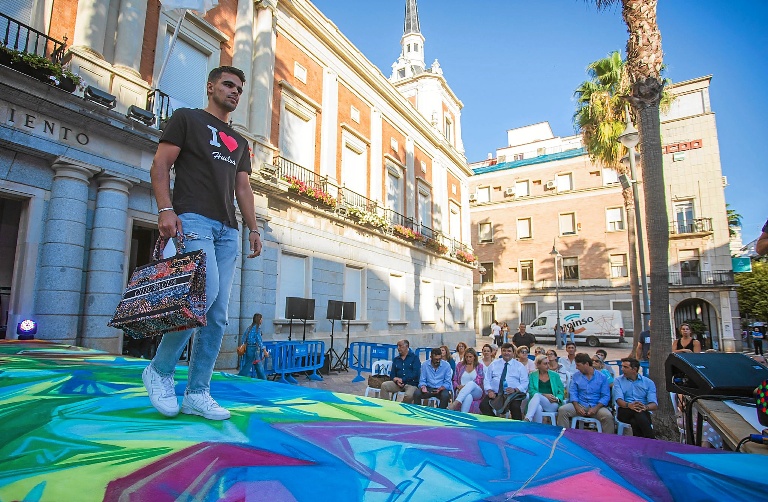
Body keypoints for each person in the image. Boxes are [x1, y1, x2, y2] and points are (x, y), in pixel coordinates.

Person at [143, 66, 261, 421]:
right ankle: (160, 370)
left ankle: (197, 392)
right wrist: (166, 208)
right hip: (192, 218)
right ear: (210, 86)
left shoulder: (240, 142)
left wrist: (253, 229)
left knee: (217, 315)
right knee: (201, 295)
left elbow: (243, 188)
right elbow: (160, 164)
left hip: (229, 229)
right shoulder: (187, 119)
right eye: (228, 85)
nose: (235, 92)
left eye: (240, 88)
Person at [556, 353, 614, 433]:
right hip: (580, 404)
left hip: (596, 406)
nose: (576, 368)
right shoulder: (576, 376)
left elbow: (605, 396)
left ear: (586, 364)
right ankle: (564, 436)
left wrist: (596, 408)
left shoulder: (602, 377)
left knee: (607, 416)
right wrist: (576, 406)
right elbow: (573, 392)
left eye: (578, 365)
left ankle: (608, 441)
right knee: (563, 410)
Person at [480, 343, 529, 419]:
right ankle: (495, 423)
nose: (506, 353)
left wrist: (515, 389)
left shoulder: (519, 366)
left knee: (515, 407)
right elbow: (487, 379)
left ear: (513, 353)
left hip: (512, 394)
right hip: (495, 393)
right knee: (483, 406)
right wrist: (489, 391)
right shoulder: (494, 364)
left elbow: (525, 382)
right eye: (504, 351)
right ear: (501, 352)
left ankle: (517, 428)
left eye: (509, 351)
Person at [614, 357, 658, 438]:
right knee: (638, 413)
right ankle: (651, 439)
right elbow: (619, 400)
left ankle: (639, 443)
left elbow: (654, 405)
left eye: (625, 367)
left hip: (643, 410)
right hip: (625, 409)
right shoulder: (618, 380)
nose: (622, 369)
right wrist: (630, 405)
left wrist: (645, 407)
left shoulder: (648, 383)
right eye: (622, 366)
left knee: (635, 420)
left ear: (634, 369)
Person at [524, 355, 565, 423]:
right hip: (536, 402)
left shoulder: (555, 375)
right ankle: (538, 429)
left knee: (537, 395)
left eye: (548, 363)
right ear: (538, 365)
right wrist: (544, 395)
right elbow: (531, 391)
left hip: (552, 403)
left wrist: (557, 398)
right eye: (545, 364)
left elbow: (561, 391)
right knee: (538, 407)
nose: (548, 365)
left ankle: (527, 419)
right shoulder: (532, 375)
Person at [449, 348, 485, 413]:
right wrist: (457, 386)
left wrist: (465, 387)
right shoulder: (460, 365)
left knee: (471, 383)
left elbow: (479, 380)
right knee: (468, 396)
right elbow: (454, 379)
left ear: (474, 357)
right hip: (460, 389)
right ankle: (463, 416)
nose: (468, 359)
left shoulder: (479, 366)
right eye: (466, 357)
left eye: (470, 357)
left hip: (476, 391)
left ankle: (455, 403)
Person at [238, 314, 268, 379]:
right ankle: (239, 377)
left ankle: (263, 379)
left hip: (249, 349)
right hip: (253, 349)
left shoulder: (249, 328)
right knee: (248, 365)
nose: (262, 320)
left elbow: (243, 338)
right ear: (259, 320)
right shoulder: (257, 329)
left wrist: (244, 345)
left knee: (258, 364)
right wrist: (264, 351)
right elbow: (259, 340)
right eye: (261, 319)